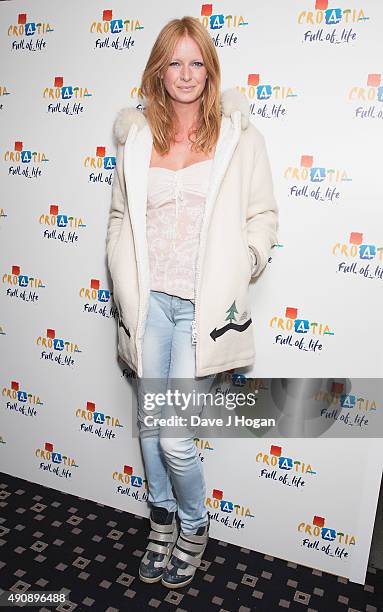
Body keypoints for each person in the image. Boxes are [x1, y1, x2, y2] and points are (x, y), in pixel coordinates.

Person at [106, 17, 279, 589]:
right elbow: (119, 218)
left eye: (196, 62)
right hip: (150, 305)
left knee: (176, 432)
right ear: (159, 69)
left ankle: (194, 525)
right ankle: (161, 522)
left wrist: (246, 261)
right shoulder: (137, 137)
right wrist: (119, 272)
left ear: (210, 69)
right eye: (174, 62)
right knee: (151, 427)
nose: (185, 74)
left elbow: (262, 215)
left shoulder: (239, 136)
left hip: (202, 313)